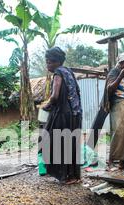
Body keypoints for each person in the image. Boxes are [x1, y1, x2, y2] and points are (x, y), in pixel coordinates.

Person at [40, 47, 82, 185]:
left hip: (63, 115)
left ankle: (65, 175)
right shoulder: (69, 71)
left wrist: (46, 106)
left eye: (49, 62)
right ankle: (74, 176)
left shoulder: (58, 73)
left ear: (56, 62)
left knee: (54, 142)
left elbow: (55, 96)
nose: (48, 65)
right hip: (75, 114)